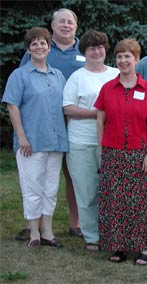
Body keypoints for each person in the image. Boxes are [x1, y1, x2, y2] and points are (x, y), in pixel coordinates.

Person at [16, 8, 85, 240]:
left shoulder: (84, 51)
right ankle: (33, 226)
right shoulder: (36, 52)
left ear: (76, 26)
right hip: (40, 128)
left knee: (71, 176)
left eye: (70, 22)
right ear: (53, 26)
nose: (66, 25)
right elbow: (19, 94)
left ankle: (75, 223)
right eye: (61, 21)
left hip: (73, 126)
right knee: (35, 178)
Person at [94, 38, 147, 265]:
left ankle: (143, 248)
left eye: (128, 56)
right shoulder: (107, 89)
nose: (123, 60)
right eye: (120, 56)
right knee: (116, 201)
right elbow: (100, 122)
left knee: (141, 201)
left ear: (137, 59)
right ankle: (119, 246)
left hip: (139, 152)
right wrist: (101, 152)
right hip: (113, 152)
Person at [2, 27, 67, 248]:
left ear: (49, 47)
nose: (39, 47)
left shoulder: (57, 75)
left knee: (50, 188)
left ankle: (48, 232)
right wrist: (21, 137)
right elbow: (12, 106)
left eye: (43, 43)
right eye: (35, 44)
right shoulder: (19, 75)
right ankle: (33, 233)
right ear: (28, 49)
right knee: (32, 188)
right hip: (31, 141)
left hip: (56, 141)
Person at [62, 30, 119, 251]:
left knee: (113, 189)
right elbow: (68, 107)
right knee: (86, 190)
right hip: (82, 141)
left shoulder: (116, 74)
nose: (96, 51)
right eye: (91, 48)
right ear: (84, 52)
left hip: (112, 141)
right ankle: (92, 236)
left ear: (106, 49)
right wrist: (98, 113)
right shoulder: (78, 77)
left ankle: (112, 231)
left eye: (100, 47)